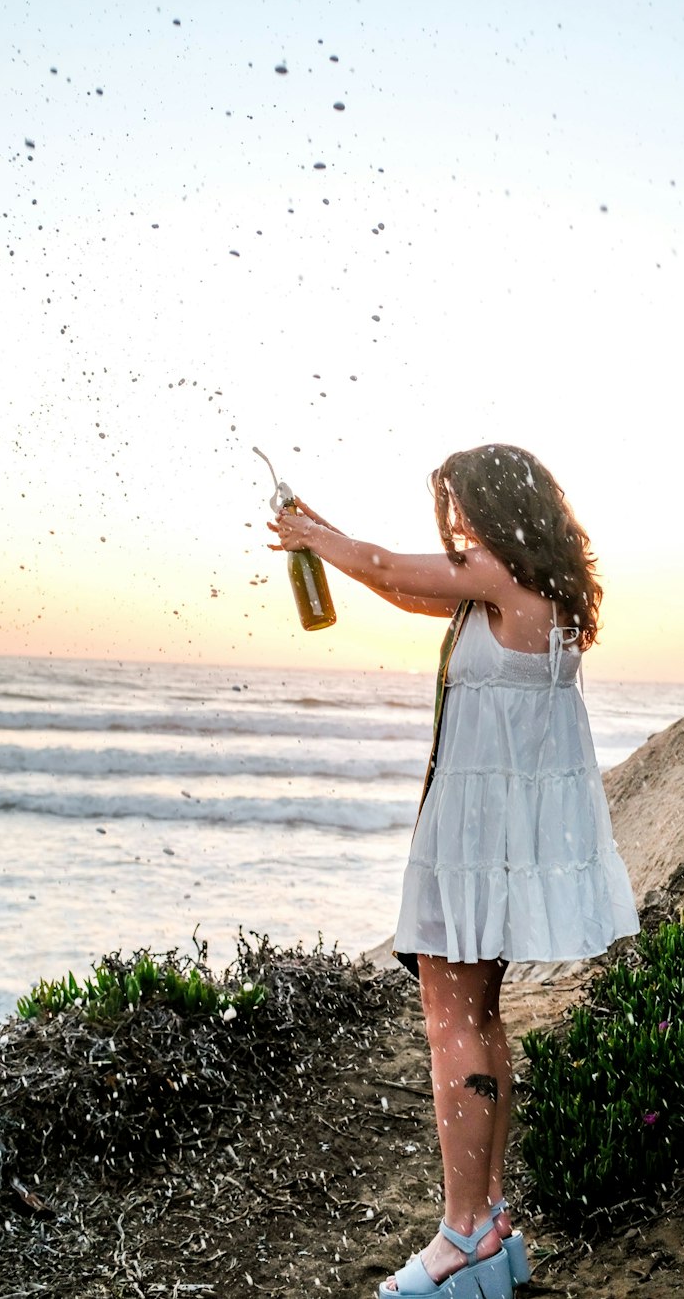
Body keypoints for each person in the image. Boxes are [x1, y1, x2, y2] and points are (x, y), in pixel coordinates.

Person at [269, 444, 639, 1299]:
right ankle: (491, 1223)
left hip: (478, 841)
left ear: (495, 506)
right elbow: (400, 585)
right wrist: (321, 537)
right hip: (498, 838)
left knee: (452, 1024)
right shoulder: (527, 581)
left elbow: (388, 563)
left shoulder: (501, 571)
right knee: (480, 1016)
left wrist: (315, 536)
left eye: (462, 506)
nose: (456, 523)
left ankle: (463, 1235)